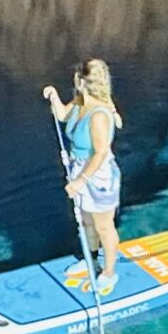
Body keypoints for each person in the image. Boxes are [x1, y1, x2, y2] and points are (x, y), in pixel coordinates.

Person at [43, 58, 125, 294]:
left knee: (103, 226)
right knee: (86, 221)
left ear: (81, 81)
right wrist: (54, 96)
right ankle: (91, 260)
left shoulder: (98, 115)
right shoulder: (80, 103)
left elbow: (99, 154)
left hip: (98, 176)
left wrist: (80, 181)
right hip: (79, 168)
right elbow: (61, 115)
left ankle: (109, 272)